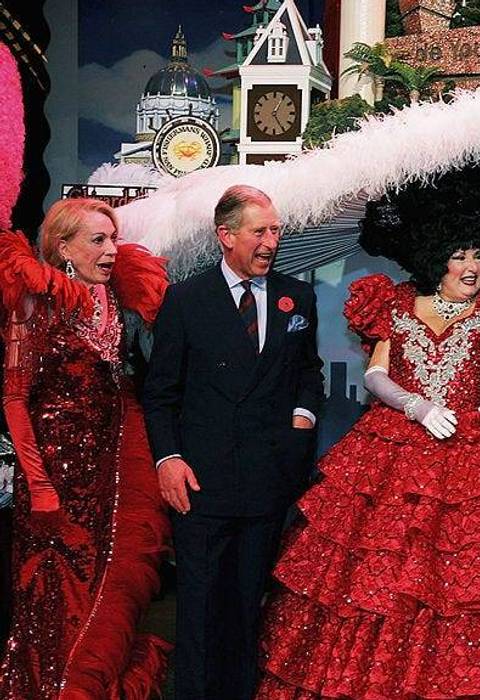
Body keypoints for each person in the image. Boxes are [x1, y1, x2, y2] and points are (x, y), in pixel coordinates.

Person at [256, 152, 480, 698]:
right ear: (434, 259)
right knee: (383, 577)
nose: (473, 266)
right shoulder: (392, 304)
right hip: (399, 448)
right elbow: (374, 376)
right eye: (459, 255)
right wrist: (414, 406)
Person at [142, 185, 324, 700]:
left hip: (269, 481)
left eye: (276, 230)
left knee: (249, 608)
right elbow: (159, 394)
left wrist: (302, 421)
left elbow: (308, 375)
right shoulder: (185, 300)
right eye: (259, 231)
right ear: (226, 236)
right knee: (199, 611)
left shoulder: (298, 296)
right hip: (201, 484)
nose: (272, 241)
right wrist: (169, 459)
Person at [0, 198, 171, 699]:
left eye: (114, 239)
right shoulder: (33, 303)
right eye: (98, 240)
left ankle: (89, 685)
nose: (113, 251)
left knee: (106, 590)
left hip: (110, 477)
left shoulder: (113, 301)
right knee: (54, 597)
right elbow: (13, 398)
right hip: (54, 480)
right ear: (63, 247)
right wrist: (40, 485)